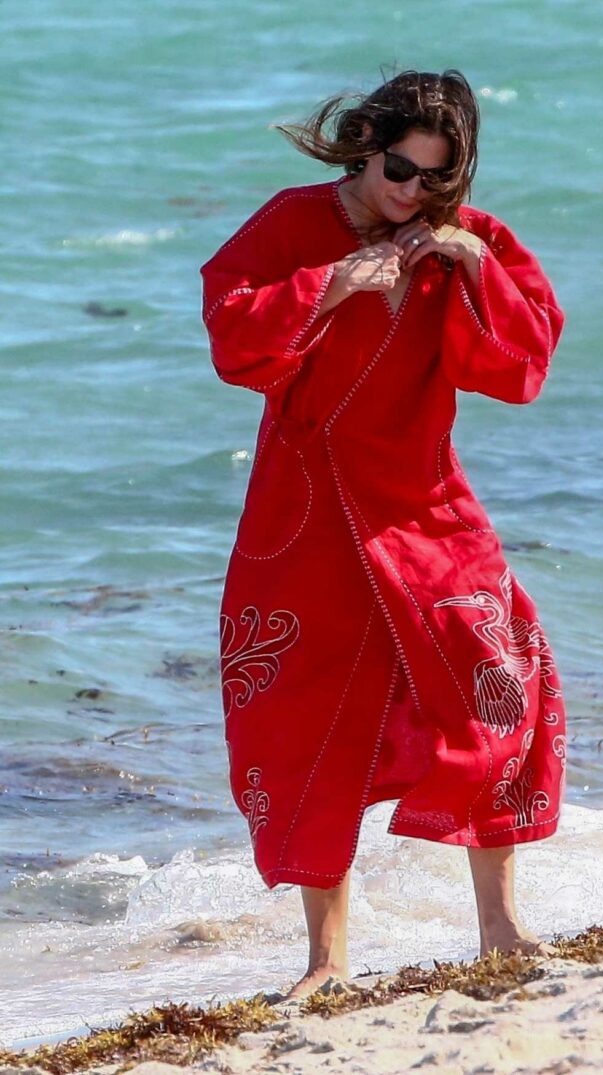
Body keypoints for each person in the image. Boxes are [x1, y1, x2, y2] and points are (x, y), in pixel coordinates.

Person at [200, 68, 567, 1000]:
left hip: (424, 496)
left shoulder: (464, 240)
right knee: (305, 717)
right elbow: (233, 338)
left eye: (437, 180)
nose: (413, 193)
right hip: (309, 509)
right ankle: (325, 961)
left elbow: (519, 366)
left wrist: (476, 266)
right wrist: (330, 285)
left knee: (495, 678)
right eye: (400, 169)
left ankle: (501, 925)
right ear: (365, 144)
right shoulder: (293, 222)